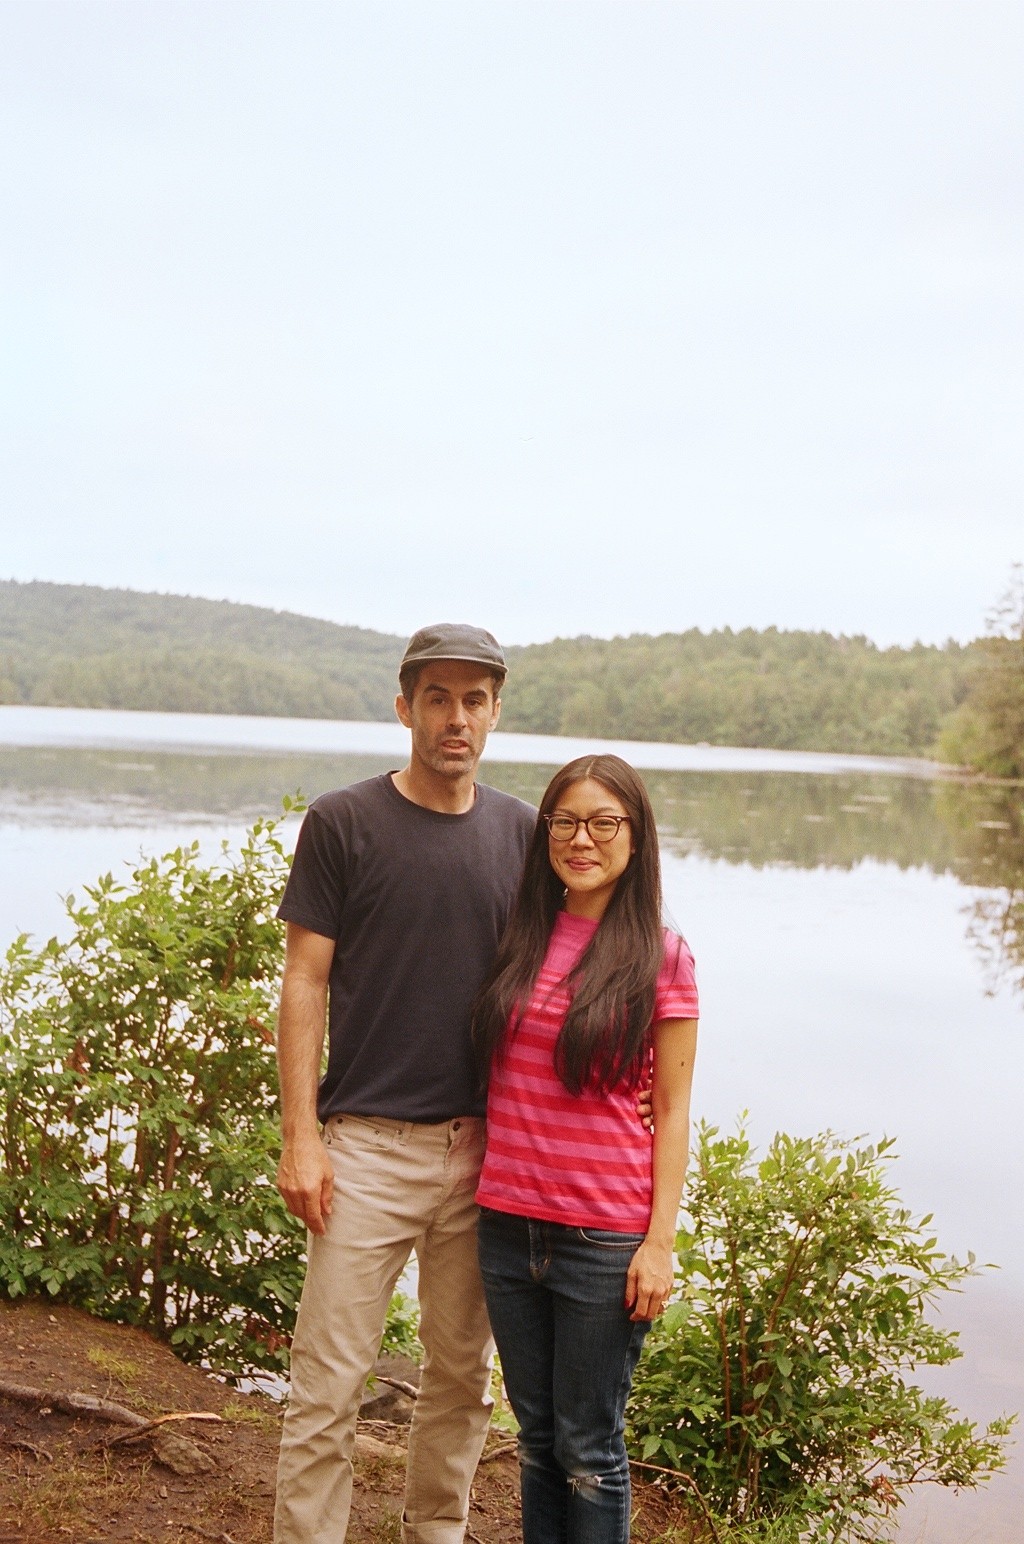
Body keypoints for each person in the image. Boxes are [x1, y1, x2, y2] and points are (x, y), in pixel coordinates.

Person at [272, 622, 537, 1544]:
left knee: (461, 1382)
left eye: (474, 700)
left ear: (495, 714)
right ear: (404, 708)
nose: (456, 718)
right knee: (327, 1385)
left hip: (484, 1155)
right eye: (438, 698)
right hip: (366, 1153)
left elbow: (556, 983)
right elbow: (304, 982)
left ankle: (436, 1534)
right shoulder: (343, 822)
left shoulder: (523, 832)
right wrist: (301, 1137)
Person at [472, 754, 700, 1544]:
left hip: (603, 1240)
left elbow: (672, 1109)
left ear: (636, 836)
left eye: (604, 823)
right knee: (538, 1441)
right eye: (565, 822)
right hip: (507, 1226)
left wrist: (659, 1244)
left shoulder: (661, 957)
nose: (582, 839)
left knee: (589, 1448)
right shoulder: (519, 937)